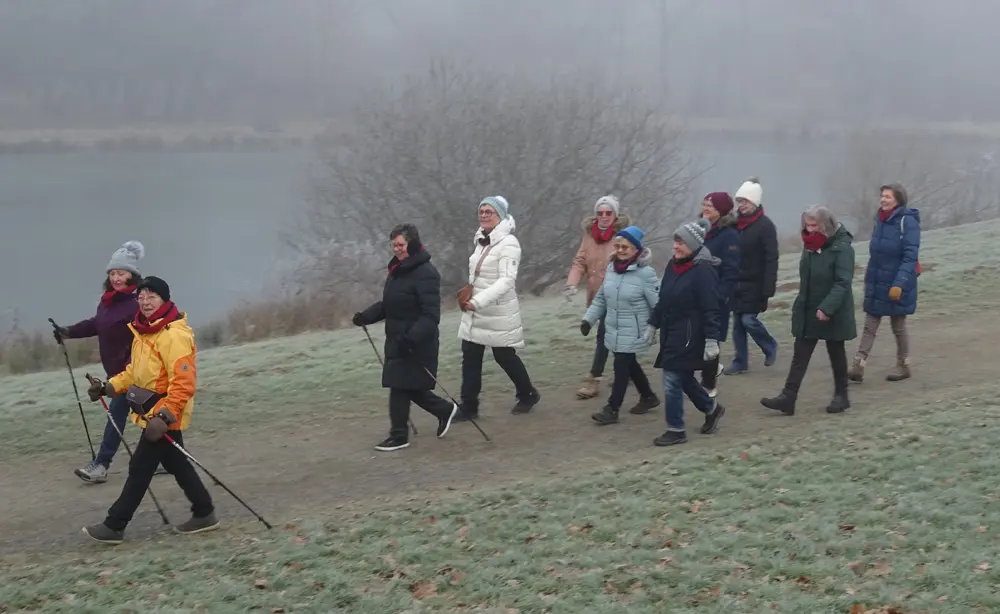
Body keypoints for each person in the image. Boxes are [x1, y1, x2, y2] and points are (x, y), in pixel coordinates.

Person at [82, 276, 217, 544]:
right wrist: (109, 387)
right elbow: (135, 373)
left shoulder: (174, 335)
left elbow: (184, 383)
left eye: (151, 297)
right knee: (176, 463)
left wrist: (165, 417)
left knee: (139, 467)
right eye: (141, 297)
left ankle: (114, 525)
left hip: (163, 416)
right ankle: (205, 512)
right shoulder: (144, 332)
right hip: (151, 414)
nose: (145, 302)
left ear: (164, 300)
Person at [51, 241, 162, 483]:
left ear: (132, 275)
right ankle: (164, 457)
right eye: (112, 273)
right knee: (147, 414)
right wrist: (67, 331)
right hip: (116, 373)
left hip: (133, 373)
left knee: (116, 415)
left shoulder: (136, 304)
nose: (116, 278)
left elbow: (147, 337)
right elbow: (96, 324)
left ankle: (100, 465)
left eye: (121, 273)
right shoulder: (108, 301)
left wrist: (135, 370)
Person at [352, 224, 459, 452]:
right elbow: (389, 304)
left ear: (412, 243)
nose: (397, 249)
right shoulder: (397, 271)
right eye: (394, 246)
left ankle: (399, 436)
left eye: (400, 245)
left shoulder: (426, 273)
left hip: (417, 342)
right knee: (409, 387)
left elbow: (431, 316)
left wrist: (411, 339)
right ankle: (444, 410)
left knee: (399, 386)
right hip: (398, 340)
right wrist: (366, 316)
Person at [761, 207, 856, 414]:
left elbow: (843, 282)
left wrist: (827, 307)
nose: (810, 230)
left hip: (833, 309)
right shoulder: (810, 246)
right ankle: (788, 397)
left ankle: (842, 395)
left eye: (815, 226)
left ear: (826, 227)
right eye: (807, 226)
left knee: (836, 352)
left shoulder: (842, 248)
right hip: (809, 307)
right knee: (800, 353)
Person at [457, 195, 540, 420]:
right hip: (475, 310)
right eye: (481, 211)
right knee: (470, 355)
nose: (483, 215)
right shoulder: (481, 239)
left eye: (489, 211)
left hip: (496, 310)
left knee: (504, 355)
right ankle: (469, 406)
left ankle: (528, 393)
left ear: (500, 216)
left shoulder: (509, 243)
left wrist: (478, 301)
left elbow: (506, 281)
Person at [648, 219, 726, 446]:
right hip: (672, 332)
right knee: (682, 377)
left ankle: (676, 429)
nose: (675, 247)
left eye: (680, 242)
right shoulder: (674, 265)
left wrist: (712, 340)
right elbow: (664, 299)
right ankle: (712, 408)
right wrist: (653, 324)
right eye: (675, 241)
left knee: (671, 378)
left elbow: (712, 308)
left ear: (693, 245)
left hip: (691, 335)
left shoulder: (703, 271)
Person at [580, 225, 660, 424]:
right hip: (614, 328)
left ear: (636, 249)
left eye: (626, 247)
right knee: (629, 363)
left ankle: (612, 409)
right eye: (618, 246)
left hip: (635, 329)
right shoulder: (612, 269)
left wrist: (654, 326)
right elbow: (601, 299)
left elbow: (658, 304)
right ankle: (648, 397)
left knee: (621, 366)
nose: (621, 250)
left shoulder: (646, 274)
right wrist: (588, 320)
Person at [849, 183, 920, 383]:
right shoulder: (880, 220)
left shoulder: (908, 222)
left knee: (898, 325)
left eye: (887, 196)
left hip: (898, 282)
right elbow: (876, 254)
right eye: (882, 196)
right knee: (870, 324)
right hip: (878, 280)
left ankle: (903, 364)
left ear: (898, 199)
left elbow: (910, 257)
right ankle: (858, 364)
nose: (883, 199)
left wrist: (900, 283)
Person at [564, 195, 632, 399]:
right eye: (600, 213)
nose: (603, 217)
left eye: (608, 213)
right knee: (614, 336)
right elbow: (580, 261)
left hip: (618, 294)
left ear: (615, 215)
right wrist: (571, 284)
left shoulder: (624, 235)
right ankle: (628, 371)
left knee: (604, 335)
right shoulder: (589, 236)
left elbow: (634, 259)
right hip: (596, 295)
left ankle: (593, 378)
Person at [725, 177, 780, 375]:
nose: (742, 206)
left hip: (755, 284)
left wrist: (768, 289)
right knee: (737, 324)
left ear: (755, 202)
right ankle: (740, 361)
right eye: (739, 201)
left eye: (745, 202)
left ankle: (770, 345)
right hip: (735, 283)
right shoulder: (733, 224)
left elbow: (772, 258)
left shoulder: (766, 226)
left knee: (748, 320)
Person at [699, 193, 740, 397]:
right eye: (704, 204)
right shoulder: (700, 229)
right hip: (697, 292)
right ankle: (712, 370)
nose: (705, 208)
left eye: (710, 206)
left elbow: (731, 270)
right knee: (697, 337)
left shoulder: (729, 235)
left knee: (710, 339)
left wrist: (720, 296)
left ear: (722, 210)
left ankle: (709, 387)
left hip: (715, 296)